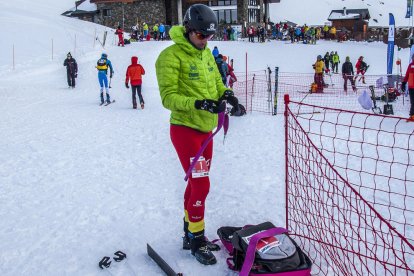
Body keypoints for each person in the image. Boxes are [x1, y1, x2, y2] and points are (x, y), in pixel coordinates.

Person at [155, 3, 239, 265]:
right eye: (201, 35)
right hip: (185, 130)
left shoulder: (206, 55)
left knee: (195, 183)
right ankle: (197, 238)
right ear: (189, 30)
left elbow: (216, 83)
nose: (205, 41)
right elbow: (168, 98)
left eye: (210, 36)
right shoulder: (170, 57)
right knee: (202, 184)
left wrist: (226, 94)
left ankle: (187, 232)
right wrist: (198, 103)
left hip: (206, 129)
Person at [401, 56, 414, 121]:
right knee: (413, 102)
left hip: (411, 87)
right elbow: (407, 75)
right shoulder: (411, 65)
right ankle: (412, 115)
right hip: (411, 87)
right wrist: (403, 83)